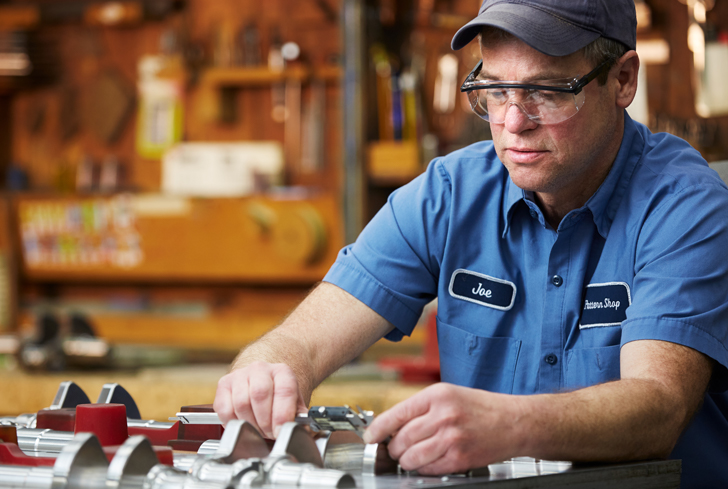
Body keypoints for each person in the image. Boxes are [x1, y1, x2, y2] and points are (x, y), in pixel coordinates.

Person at [214, 1, 728, 487]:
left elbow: (659, 406)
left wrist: (511, 424)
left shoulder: (688, 206)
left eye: (547, 92)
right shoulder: (448, 195)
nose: (512, 123)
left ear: (622, 80)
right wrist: (267, 370)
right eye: (495, 90)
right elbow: (302, 342)